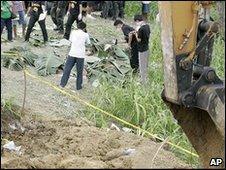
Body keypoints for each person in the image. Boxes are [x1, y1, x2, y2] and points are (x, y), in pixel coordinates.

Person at [60, 21, 91, 91]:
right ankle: (78, 87)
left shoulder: (73, 32)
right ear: (84, 28)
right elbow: (88, 43)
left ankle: (62, 84)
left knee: (67, 70)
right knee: (79, 72)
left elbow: (71, 40)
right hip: (80, 55)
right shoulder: (86, 35)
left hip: (72, 53)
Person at [133, 15, 150, 84]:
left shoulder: (141, 29)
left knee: (142, 65)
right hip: (146, 48)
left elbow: (139, 40)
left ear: (137, 21)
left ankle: (143, 82)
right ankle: (145, 79)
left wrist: (136, 34)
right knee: (145, 65)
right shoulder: (147, 26)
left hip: (141, 49)